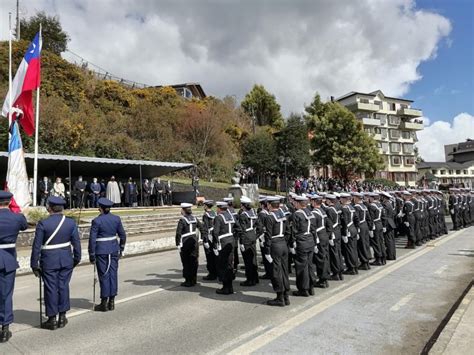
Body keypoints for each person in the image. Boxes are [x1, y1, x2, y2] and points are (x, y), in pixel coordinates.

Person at [30, 196, 81, 330]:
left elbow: (36, 246)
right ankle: (62, 316)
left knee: (51, 288)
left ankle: (52, 319)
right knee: (63, 286)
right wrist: (77, 259)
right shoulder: (70, 223)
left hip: (49, 260)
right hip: (66, 259)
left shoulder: (43, 223)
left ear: (50, 208)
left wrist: (34, 264)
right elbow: (77, 243)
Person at [89, 198, 127, 312]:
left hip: (101, 251)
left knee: (104, 276)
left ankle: (104, 302)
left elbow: (92, 239)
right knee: (113, 275)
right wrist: (121, 248)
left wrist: (91, 254)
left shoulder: (97, 221)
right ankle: (112, 301)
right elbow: (123, 235)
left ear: (100, 208)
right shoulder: (116, 219)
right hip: (114, 250)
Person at [0, 191, 28, 343]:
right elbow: (24, 226)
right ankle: (5, 328)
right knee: (5, 295)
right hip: (8, 259)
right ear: (10, 202)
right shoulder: (17, 218)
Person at [263, 196, 291, 306]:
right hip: (283, 243)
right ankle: (286, 296)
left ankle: (280, 297)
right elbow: (288, 231)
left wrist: (267, 250)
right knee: (284, 271)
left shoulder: (270, 217)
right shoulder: (282, 215)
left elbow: (268, 236)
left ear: (270, 205)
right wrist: (284, 242)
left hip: (275, 245)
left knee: (276, 272)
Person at [291, 195, 317, 297]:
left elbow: (294, 231)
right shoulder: (310, 212)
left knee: (302, 266)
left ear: (298, 203)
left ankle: (303, 289)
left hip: (301, 242)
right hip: (310, 241)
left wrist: (292, 243)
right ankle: (311, 287)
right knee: (309, 265)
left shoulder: (297, 214)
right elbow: (313, 229)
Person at [212, 201, 237, 295]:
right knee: (230, 264)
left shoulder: (218, 218)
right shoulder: (231, 216)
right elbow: (238, 228)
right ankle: (230, 287)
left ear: (219, 208)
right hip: (231, 241)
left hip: (222, 243)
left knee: (223, 265)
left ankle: (225, 287)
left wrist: (215, 245)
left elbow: (215, 233)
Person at [176, 203, 202, 287]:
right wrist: (201, 238)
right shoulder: (195, 218)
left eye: (181, 209)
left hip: (185, 243)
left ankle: (188, 280)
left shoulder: (182, 220)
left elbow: (178, 233)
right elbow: (202, 228)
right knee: (194, 261)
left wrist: (178, 244)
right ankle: (194, 279)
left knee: (186, 262)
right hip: (194, 242)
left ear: (183, 210)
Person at [310, 194, 331, 288]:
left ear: (314, 202)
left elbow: (313, 228)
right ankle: (325, 278)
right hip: (324, 235)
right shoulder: (322, 211)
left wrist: (315, 240)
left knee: (320, 259)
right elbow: (329, 224)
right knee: (325, 257)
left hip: (318, 237)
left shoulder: (314, 213)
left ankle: (322, 279)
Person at [238, 196, 259, 287]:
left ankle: (250, 279)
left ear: (243, 206)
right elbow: (259, 225)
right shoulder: (253, 213)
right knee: (253, 258)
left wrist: (241, 242)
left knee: (247, 260)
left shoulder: (243, 215)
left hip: (246, 237)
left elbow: (242, 230)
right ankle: (255, 277)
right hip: (252, 235)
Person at [340, 193, 360, 274]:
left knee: (349, 250)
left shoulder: (344, 208)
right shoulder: (351, 207)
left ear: (344, 199)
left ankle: (351, 268)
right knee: (353, 249)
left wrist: (344, 233)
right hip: (353, 229)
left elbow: (344, 222)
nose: (340, 200)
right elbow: (357, 219)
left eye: (341, 198)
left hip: (348, 231)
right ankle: (355, 266)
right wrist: (357, 229)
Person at [325, 194, 343, 281]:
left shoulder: (329, 210)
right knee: (338, 252)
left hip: (333, 233)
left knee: (334, 254)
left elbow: (329, 224)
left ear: (329, 201)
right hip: (337, 231)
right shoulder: (336, 208)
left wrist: (330, 235)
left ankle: (336, 273)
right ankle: (339, 271)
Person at [352, 192, 372, 270]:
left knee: (361, 245)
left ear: (356, 198)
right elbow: (368, 218)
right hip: (365, 225)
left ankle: (364, 262)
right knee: (366, 244)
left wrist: (356, 228)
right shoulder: (364, 206)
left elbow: (356, 219)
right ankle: (366, 261)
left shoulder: (357, 207)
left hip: (360, 226)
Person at [367, 192, 386, 265]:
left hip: (375, 225)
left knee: (376, 243)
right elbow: (383, 217)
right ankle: (383, 258)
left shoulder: (371, 206)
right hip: (380, 224)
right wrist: (384, 226)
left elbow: (371, 218)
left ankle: (378, 259)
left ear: (372, 198)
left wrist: (371, 229)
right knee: (381, 242)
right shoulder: (380, 205)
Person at [201, 200, 217, 281]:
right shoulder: (214, 213)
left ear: (206, 206)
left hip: (209, 236)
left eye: (204, 205)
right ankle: (216, 272)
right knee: (215, 255)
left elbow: (205, 228)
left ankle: (212, 274)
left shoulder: (206, 215)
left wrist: (205, 240)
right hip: (215, 236)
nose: (204, 206)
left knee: (209, 256)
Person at [381, 192, 396, 260]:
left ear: (384, 197)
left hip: (387, 224)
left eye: (382, 197)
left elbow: (384, 216)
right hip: (391, 222)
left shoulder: (385, 204)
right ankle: (392, 255)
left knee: (388, 241)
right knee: (391, 240)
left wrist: (384, 226)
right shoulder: (389, 204)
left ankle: (390, 255)